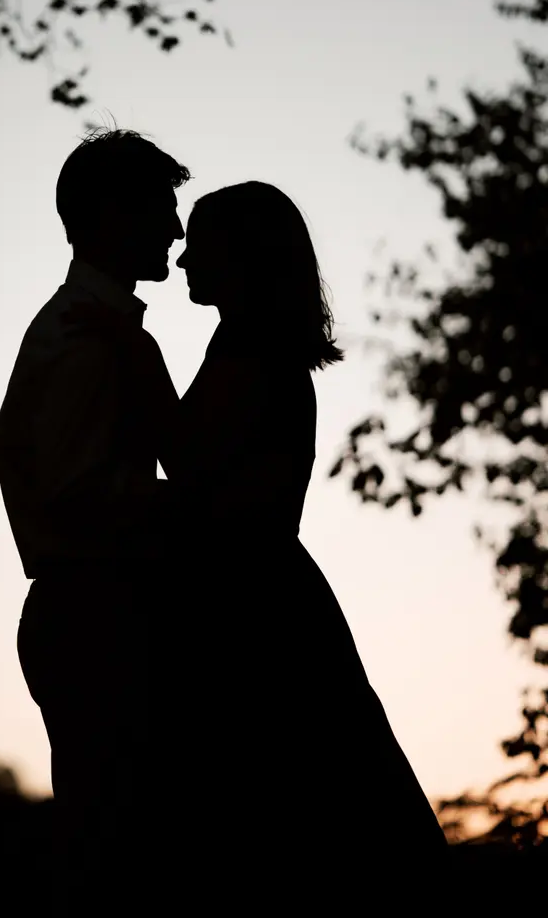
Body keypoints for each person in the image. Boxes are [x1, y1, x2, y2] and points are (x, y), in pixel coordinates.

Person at [168, 181, 448, 900]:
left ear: (239, 253)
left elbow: (192, 464)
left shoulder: (250, 348)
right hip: (262, 591)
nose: (182, 257)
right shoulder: (253, 344)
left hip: (253, 602)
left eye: (198, 241)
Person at [0, 128, 187, 916]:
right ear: (111, 215)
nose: (176, 231)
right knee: (117, 854)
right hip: (95, 611)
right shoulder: (84, 339)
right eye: (161, 210)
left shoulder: (92, 329)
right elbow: (78, 490)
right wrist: (200, 504)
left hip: (93, 608)